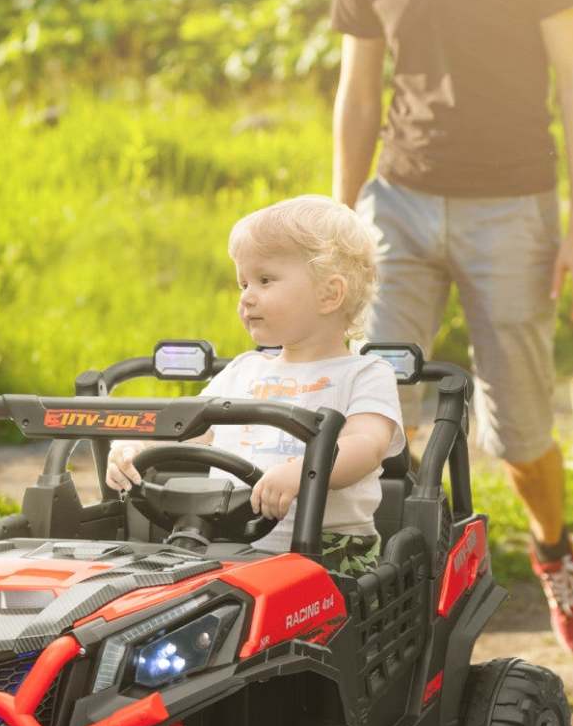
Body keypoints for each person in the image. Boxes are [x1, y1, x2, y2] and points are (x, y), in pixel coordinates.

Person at [330, 0, 573, 655]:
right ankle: (385, 588)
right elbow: (356, 95)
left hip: (511, 209)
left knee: (517, 429)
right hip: (399, 207)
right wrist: (339, 221)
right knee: (374, 401)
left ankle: (553, 549)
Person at [106, 195, 404, 574]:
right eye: (243, 283)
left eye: (265, 280)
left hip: (330, 553)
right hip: (225, 541)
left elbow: (367, 445)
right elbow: (186, 430)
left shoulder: (364, 373)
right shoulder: (243, 372)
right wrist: (138, 446)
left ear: (330, 293)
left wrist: (303, 472)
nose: (247, 297)